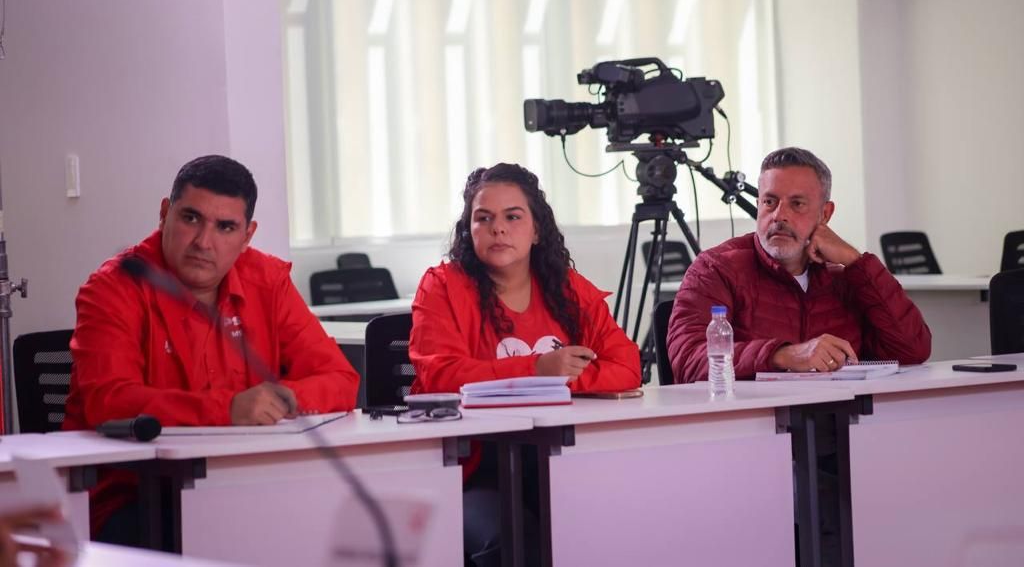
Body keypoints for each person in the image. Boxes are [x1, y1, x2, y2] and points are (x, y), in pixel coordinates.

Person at [63, 155, 359, 543]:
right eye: (191, 218)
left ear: (247, 235)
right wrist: (228, 409)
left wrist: (281, 399)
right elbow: (110, 401)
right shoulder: (113, 288)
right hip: (131, 496)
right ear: (164, 214)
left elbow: (340, 379)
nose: (203, 242)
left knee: (325, 525)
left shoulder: (267, 281)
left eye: (225, 227)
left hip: (240, 483)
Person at [409, 162, 641, 566]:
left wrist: (559, 379)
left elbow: (627, 366)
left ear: (536, 230)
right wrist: (537, 371)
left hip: (557, 457)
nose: (498, 229)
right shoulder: (442, 286)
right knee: (519, 539)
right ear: (469, 230)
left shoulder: (566, 288)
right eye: (484, 218)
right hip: (471, 467)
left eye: (513, 217)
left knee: (608, 520)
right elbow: (441, 376)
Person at [667, 146, 931, 383]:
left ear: (825, 214)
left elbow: (913, 350)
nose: (779, 215)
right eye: (769, 202)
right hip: (755, 419)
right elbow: (688, 360)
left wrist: (856, 262)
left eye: (797, 204)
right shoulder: (716, 269)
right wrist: (783, 355)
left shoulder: (845, 277)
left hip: (841, 415)